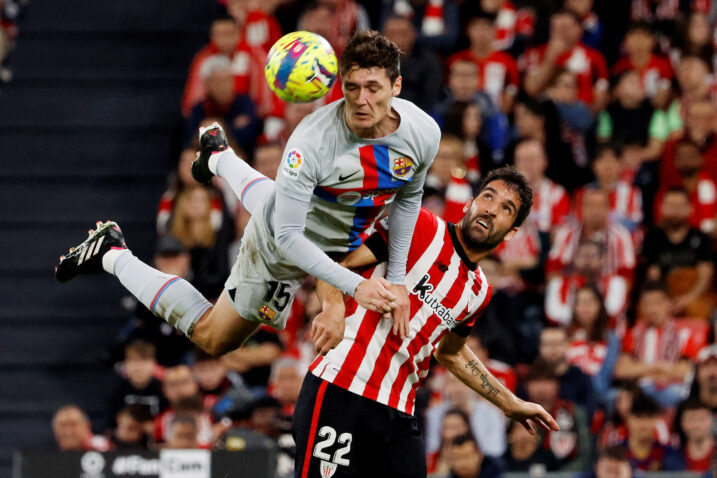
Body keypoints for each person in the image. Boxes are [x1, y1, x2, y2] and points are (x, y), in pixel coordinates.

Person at [55, 30, 438, 359]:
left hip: (334, 233)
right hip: (281, 249)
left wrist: (398, 280)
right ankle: (113, 254)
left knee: (277, 201)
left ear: (396, 86)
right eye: (351, 87)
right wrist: (354, 288)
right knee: (213, 337)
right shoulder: (311, 142)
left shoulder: (423, 133)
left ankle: (219, 156)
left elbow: (407, 198)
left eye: (373, 88)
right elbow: (287, 237)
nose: (361, 100)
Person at [293, 167, 558, 477]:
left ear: (512, 232)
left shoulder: (479, 292)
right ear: (469, 203)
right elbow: (336, 263)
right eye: (488, 197)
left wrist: (509, 403)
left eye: (506, 208)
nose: (491, 209)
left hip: (399, 411)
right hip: (342, 387)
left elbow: (451, 352)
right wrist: (333, 308)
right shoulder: (420, 225)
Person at [614, 281, 699, 407]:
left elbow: (685, 371)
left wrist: (641, 369)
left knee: (676, 393)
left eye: (658, 303)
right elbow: (621, 370)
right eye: (647, 304)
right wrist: (656, 368)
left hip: (671, 390)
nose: (652, 309)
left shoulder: (683, 335)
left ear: (669, 303)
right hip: (640, 390)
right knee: (618, 397)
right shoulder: (634, 334)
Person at [642, 187, 714, 318]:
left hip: (694, 295)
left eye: (680, 206)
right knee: (645, 312)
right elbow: (653, 275)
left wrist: (687, 299)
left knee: (698, 309)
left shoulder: (702, 238)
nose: (675, 210)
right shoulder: (653, 237)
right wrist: (663, 302)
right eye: (671, 205)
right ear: (662, 208)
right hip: (664, 296)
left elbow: (705, 276)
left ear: (690, 208)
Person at [676, 397, 715, 473]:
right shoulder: (671, 459)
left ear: (711, 421)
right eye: (690, 419)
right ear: (682, 423)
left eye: (701, 419)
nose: (696, 425)